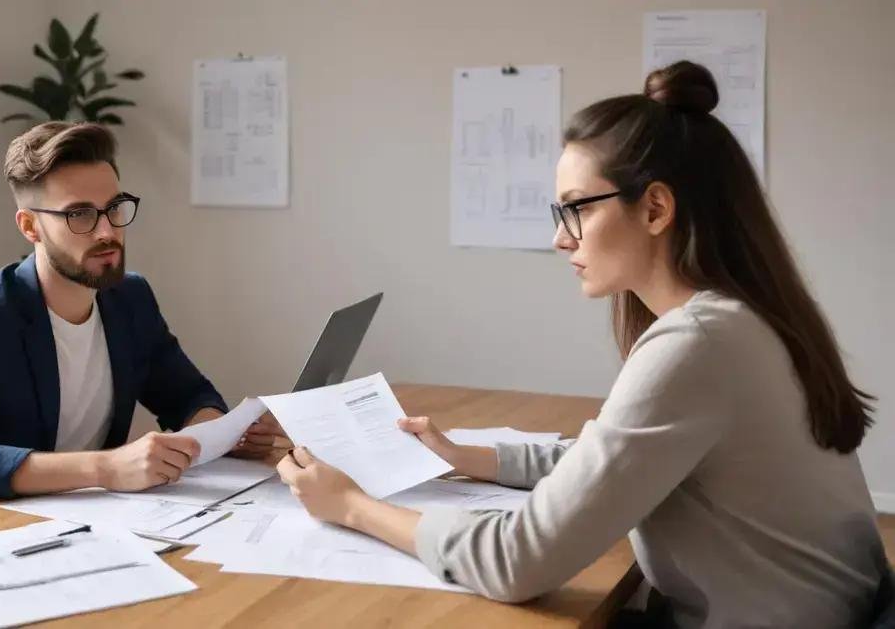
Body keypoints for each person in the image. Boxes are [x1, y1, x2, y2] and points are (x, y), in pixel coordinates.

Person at [276, 62, 888, 627]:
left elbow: (516, 563)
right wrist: (470, 459)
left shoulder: (699, 344)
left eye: (576, 209)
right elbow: (612, 460)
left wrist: (352, 506)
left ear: (654, 208)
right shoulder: (743, 318)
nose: (560, 239)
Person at [0, 122, 285, 537]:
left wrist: (221, 435)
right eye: (79, 214)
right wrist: (106, 467)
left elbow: (188, 394)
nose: (107, 231)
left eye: (114, 207)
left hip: (67, 525)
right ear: (31, 227)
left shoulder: (129, 299)